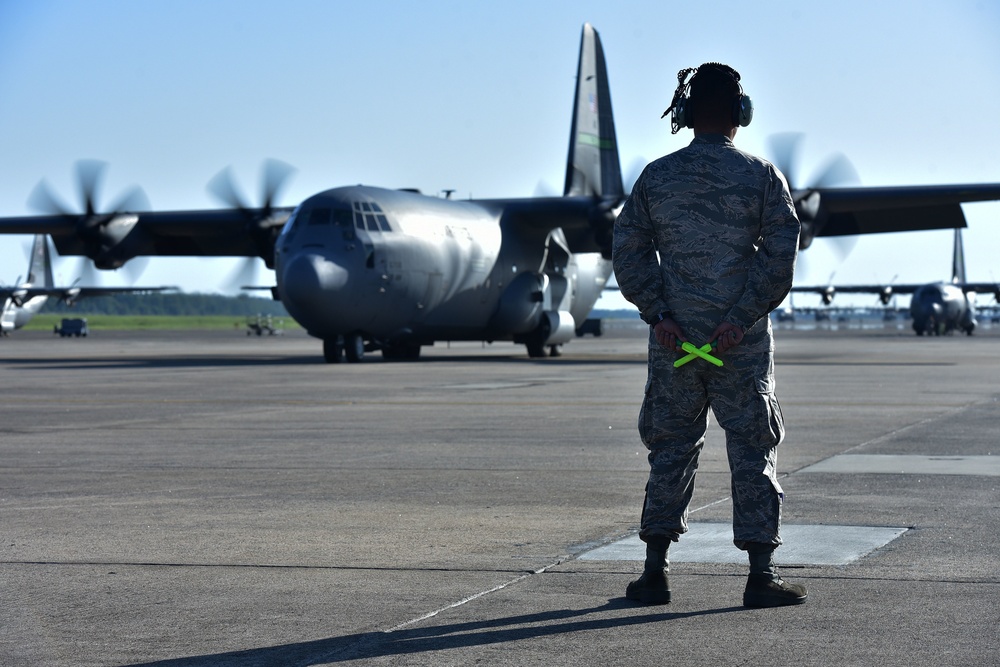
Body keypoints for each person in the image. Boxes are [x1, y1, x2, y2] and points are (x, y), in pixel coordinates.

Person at [611, 62, 806, 608]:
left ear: (689, 112)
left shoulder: (656, 176)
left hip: (674, 344)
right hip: (738, 347)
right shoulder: (762, 175)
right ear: (740, 113)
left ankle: (654, 573)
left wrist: (658, 314)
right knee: (752, 450)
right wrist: (739, 319)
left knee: (670, 450)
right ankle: (760, 576)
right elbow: (779, 253)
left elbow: (627, 248)